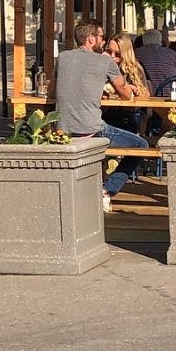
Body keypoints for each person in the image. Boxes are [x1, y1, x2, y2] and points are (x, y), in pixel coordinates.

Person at [50, 19, 141, 213]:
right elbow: (125, 94)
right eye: (101, 37)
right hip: (92, 129)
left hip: (62, 129)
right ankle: (107, 190)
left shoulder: (63, 58)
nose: (103, 41)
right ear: (91, 39)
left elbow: (51, 92)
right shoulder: (105, 61)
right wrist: (129, 89)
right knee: (141, 146)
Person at [136, 26, 176, 97]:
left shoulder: (136, 53)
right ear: (160, 40)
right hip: (170, 96)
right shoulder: (171, 53)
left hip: (144, 97)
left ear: (143, 41)